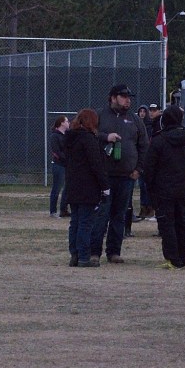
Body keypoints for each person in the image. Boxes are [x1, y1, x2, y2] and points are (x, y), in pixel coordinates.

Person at [91, 83, 150, 264]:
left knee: (119, 215)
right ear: (113, 97)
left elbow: (144, 146)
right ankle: (94, 253)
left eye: (129, 97)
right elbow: (89, 135)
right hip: (104, 177)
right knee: (101, 214)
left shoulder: (135, 120)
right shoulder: (99, 116)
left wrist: (138, 169)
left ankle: (114, 252)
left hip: (126, 177)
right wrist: (105, 137)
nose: (128, 100)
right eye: (124, 96)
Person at [144, 105, 185, 269]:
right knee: (181, 222)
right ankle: (183, 257)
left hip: (163, 189)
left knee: (166, 223)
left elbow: (149, 166)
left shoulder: (159, 140)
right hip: (182, 188)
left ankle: (173, 258)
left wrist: (151, 186)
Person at [64, 108, 110, 267]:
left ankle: (75, 255)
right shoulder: (89, 139)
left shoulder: (70, 138)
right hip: (88, 187)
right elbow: (96, 165)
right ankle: (84, 256)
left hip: (73, 186)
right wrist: (105, 186)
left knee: (75, 222)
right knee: (85, 223)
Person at [48, 115, 70, 218]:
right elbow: (56, 151)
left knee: (67, 187)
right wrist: (66, 158)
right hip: (58, 165)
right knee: (57, 187)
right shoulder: (55, 136)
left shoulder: (67, 135)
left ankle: (63, 210)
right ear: (61, 123)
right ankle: (53, 211)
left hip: (67, 165)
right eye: (66, 121)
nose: (68, 123)